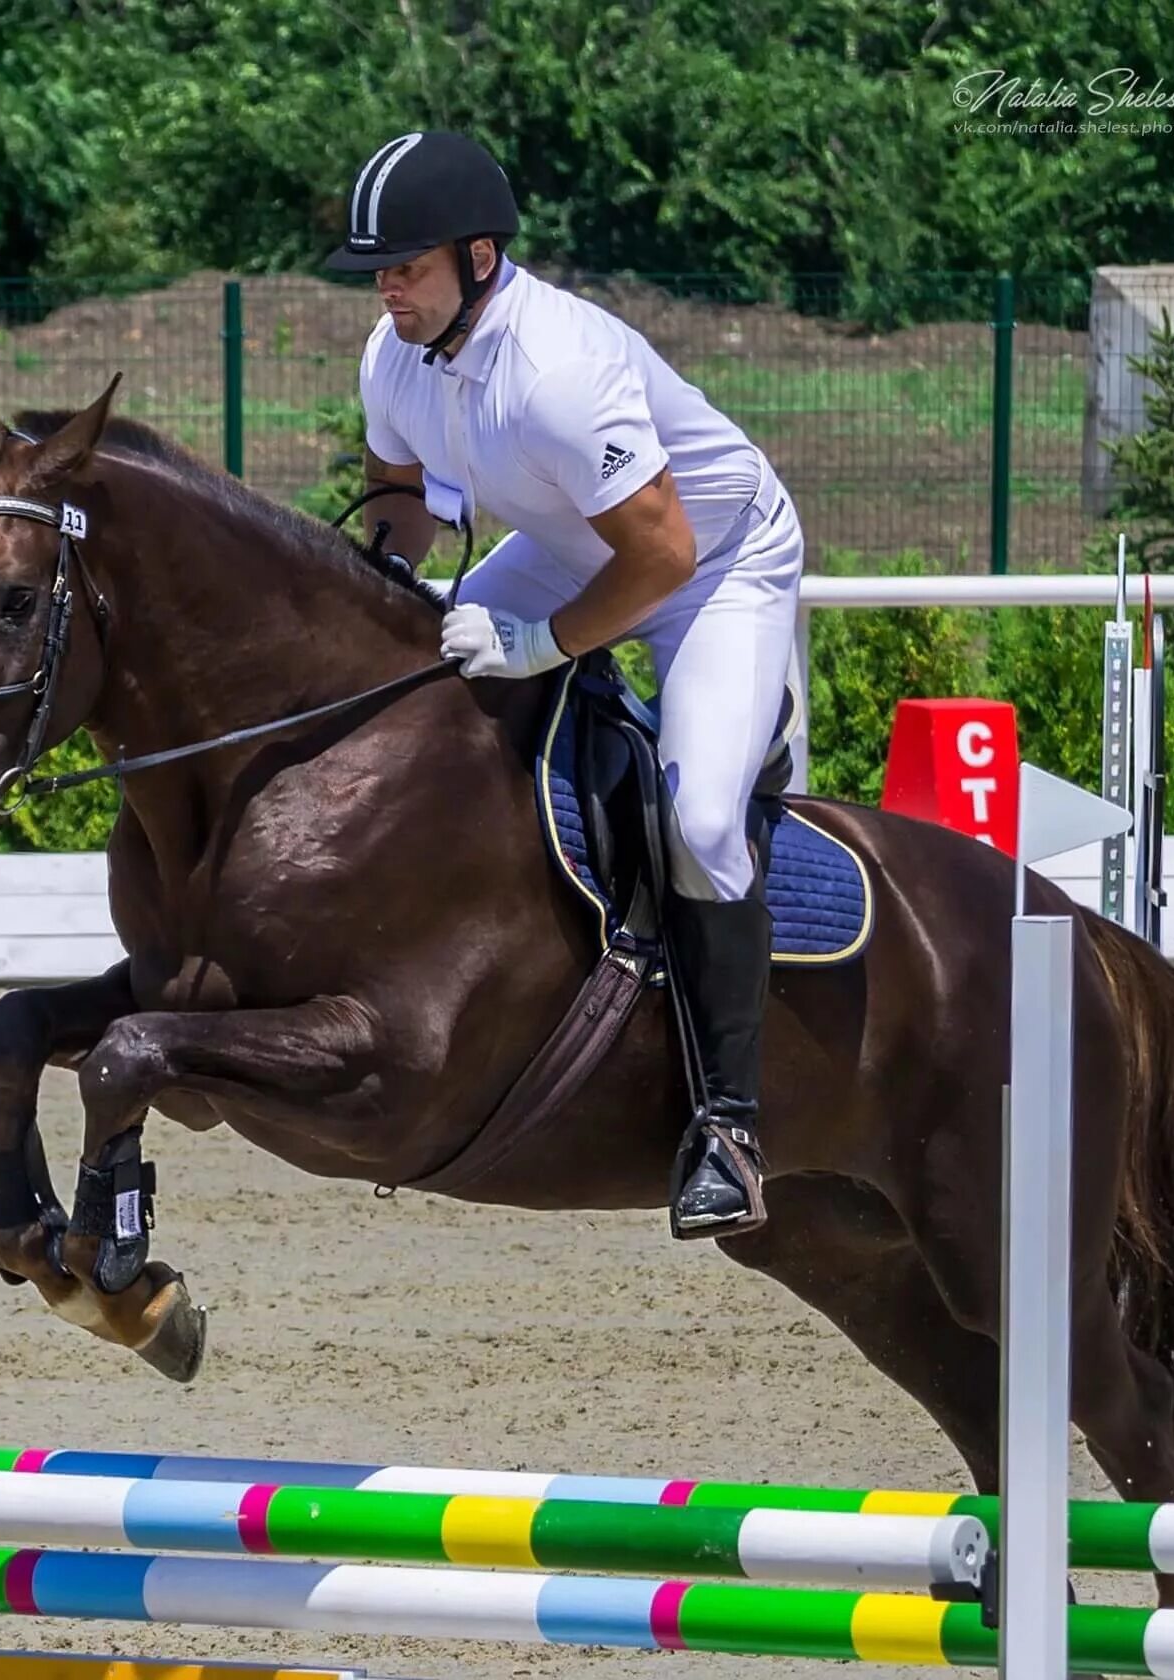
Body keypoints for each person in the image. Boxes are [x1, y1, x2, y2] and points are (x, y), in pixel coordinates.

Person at [325, 130, 804, 1238]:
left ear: (479, 257)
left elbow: (664, 557)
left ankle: (729, 1126)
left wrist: (543, 646)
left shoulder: (556, 374)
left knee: (696, 822)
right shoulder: (393, 353)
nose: (387, 288)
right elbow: (402, 500)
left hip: (711, 564)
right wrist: (376, 598)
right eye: (379, 270)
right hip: (574, 543)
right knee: (420, 676)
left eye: (406, 266)